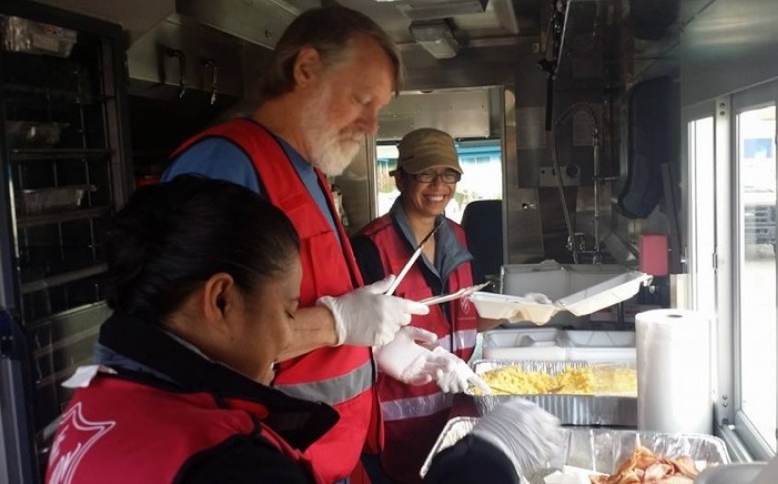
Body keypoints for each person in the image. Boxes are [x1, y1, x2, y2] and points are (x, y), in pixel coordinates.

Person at [44, 176, 565, 484]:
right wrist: (487, 459)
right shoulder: (222, 463)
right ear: (221, 300)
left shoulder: (100, 396)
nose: (290, 335)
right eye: (287, 309)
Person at [160, 7, 428, 482]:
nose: (371, 125)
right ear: (305, 69)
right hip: (262, 462)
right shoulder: (224, 165)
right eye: (361, 99)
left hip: (326, 459)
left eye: (378, 109)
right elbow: (191, 343)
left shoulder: (310, 170)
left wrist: (373, 340)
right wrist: (338, 324)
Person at [352, 128, 554, 483]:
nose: (438, 185)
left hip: (453, 420)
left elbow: (465, 319)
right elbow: (355, 341)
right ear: (399, 178)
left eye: (448, 174)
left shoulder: (457, 238)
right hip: (394, 432)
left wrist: (516, 310)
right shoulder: (369, 248)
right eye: (425, 173)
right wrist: (418, 361)